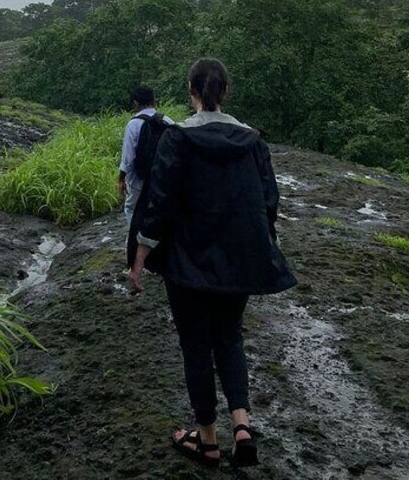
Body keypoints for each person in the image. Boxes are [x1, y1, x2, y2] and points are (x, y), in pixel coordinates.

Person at [127, 58, 296, 468]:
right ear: (226, 91)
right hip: (240, 259)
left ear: (192, 91)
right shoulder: (252, 141)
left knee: (196, 345)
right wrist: (264, 247)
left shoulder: (177, 138)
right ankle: (241, 424)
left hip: (188, 263)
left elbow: (159, 203)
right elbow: (269, 201)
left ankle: (206, 440)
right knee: (230, 336)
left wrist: (138, 260)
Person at [118, 87, 173, 224]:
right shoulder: (168, 121)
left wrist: (121, 179)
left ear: (136, 103)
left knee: (132, 210)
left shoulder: (133, 124)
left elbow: (127, 159)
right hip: (163, 178)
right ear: (154, 101)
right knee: (160, 210)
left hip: (138, 180)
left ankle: (135, 242)